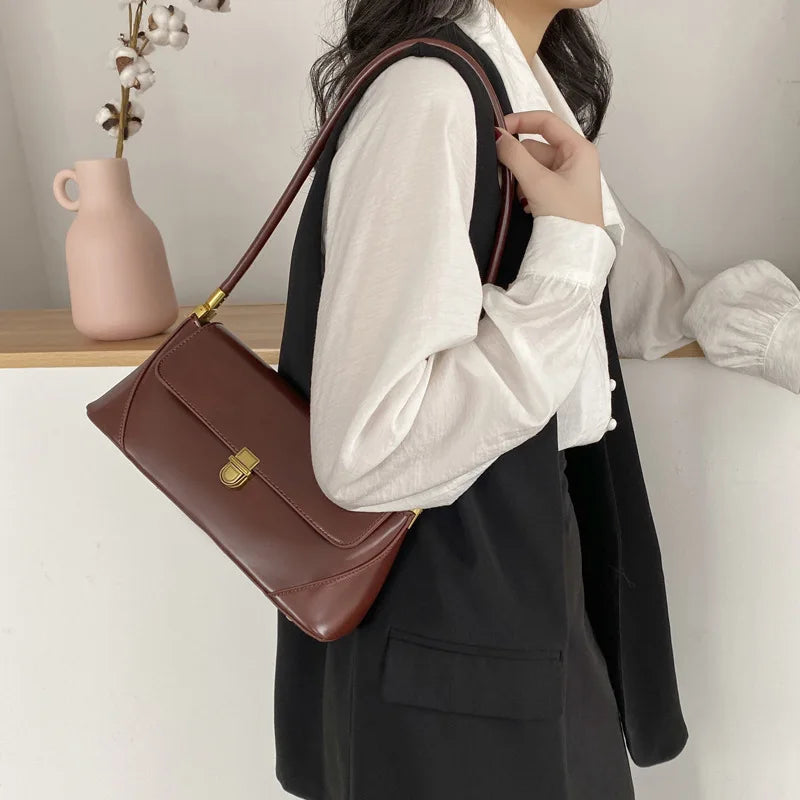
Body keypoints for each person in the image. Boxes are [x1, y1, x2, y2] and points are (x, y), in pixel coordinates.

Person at [273, 1, 787, 797]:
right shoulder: (427, 99)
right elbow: (367, 454)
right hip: (445, 648)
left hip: (512, 612)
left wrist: (771, 333)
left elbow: (644, 295)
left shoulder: (508, 89)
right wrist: (570, 250)